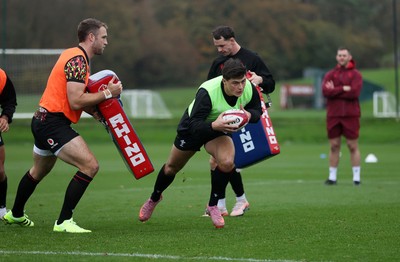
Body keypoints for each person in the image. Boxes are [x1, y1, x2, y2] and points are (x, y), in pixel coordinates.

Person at [2, 18, 123, 233]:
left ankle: (15, 214)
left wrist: (93, 111)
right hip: (52, 123)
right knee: (90, 166)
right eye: (103, 37)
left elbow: (71, 98)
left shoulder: (73, 55)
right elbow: (76, 100)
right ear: (91, 37)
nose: (106, 42)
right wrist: (108, 93)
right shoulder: (78, 60)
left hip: (42, 119)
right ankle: (64, 222)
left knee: (38, 171)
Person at [138, 58, 262, 228]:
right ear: (224, 81)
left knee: (226, 162)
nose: (240, 87)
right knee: (171, 167)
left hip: (218, 130)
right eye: (235, 83)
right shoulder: (207, 92)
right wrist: (214, 125)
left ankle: (213, 205)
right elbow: (194, 124)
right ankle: (154, 198)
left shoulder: (248, 88)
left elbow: (258, 111)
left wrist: (248, 115)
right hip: (194, 128)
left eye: (242, 81)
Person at [206, 25, 275, 217]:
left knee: (226, 159)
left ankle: (235, 201)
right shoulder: (218, 63)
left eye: (221, 45)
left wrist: (259, 80)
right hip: (221, 116)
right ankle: (223, 204)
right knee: (216, 160)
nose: (219, 50)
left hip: (243, 116)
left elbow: (271, 83)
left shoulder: (252, 58)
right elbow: (208, 87)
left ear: (232, 40)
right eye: (216, 46)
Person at [322, 47, 362, 186]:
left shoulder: (356, 75)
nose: (342, 57)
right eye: (339, 55)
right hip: (333, 114)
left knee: (352, 145)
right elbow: (325, 91)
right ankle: (332, 177)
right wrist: (343, 88)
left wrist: (334, 90)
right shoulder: (330, 74)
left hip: (351, 115)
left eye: (344, 55)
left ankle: (356, 178)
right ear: (336, 57)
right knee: (334, 145)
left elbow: (354, 93)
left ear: (349, 57)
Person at [0, 68, 17, 219]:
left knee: (0, 170)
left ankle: (1, 209)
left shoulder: (1, 76)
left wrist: (5, 117)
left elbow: (10, 100)